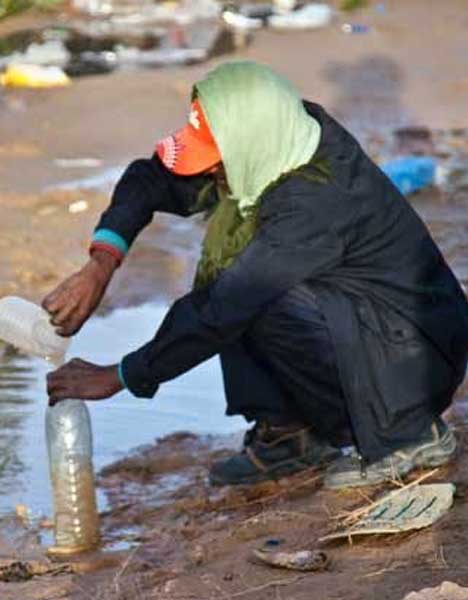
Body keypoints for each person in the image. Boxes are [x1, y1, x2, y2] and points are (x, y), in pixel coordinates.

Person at [43, 61, 468, 489]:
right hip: (365, 321)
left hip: (415, 357)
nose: (210, 170)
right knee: (240, 272)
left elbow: (223, 309)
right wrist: (101, 264)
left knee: (245, 291)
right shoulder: (271, 143)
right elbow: (147, 178)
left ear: (244, 146)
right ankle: (292, 437)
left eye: (214, 159)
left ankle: (409, 434)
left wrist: (122, 375)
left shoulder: (316, 198)